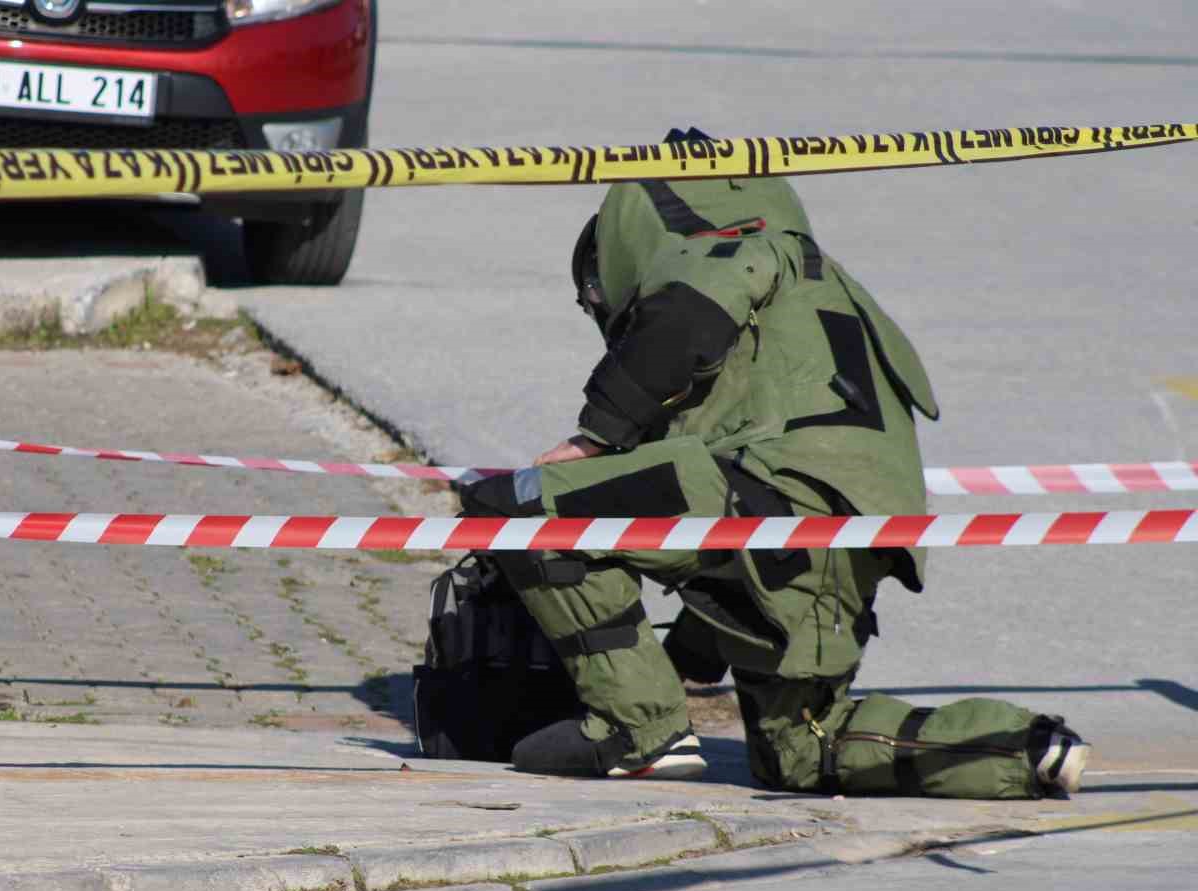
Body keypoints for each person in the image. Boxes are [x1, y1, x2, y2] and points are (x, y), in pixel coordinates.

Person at [459, 161, 1088, 798]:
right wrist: (688, 657)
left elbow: (682, 325)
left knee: (518, 507)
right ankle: (1026, 748)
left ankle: (635, 731)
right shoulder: (828, 287)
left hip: (771, 499)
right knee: (803, 749)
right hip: (851, 537)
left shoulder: (734, 253)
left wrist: (593, 437)